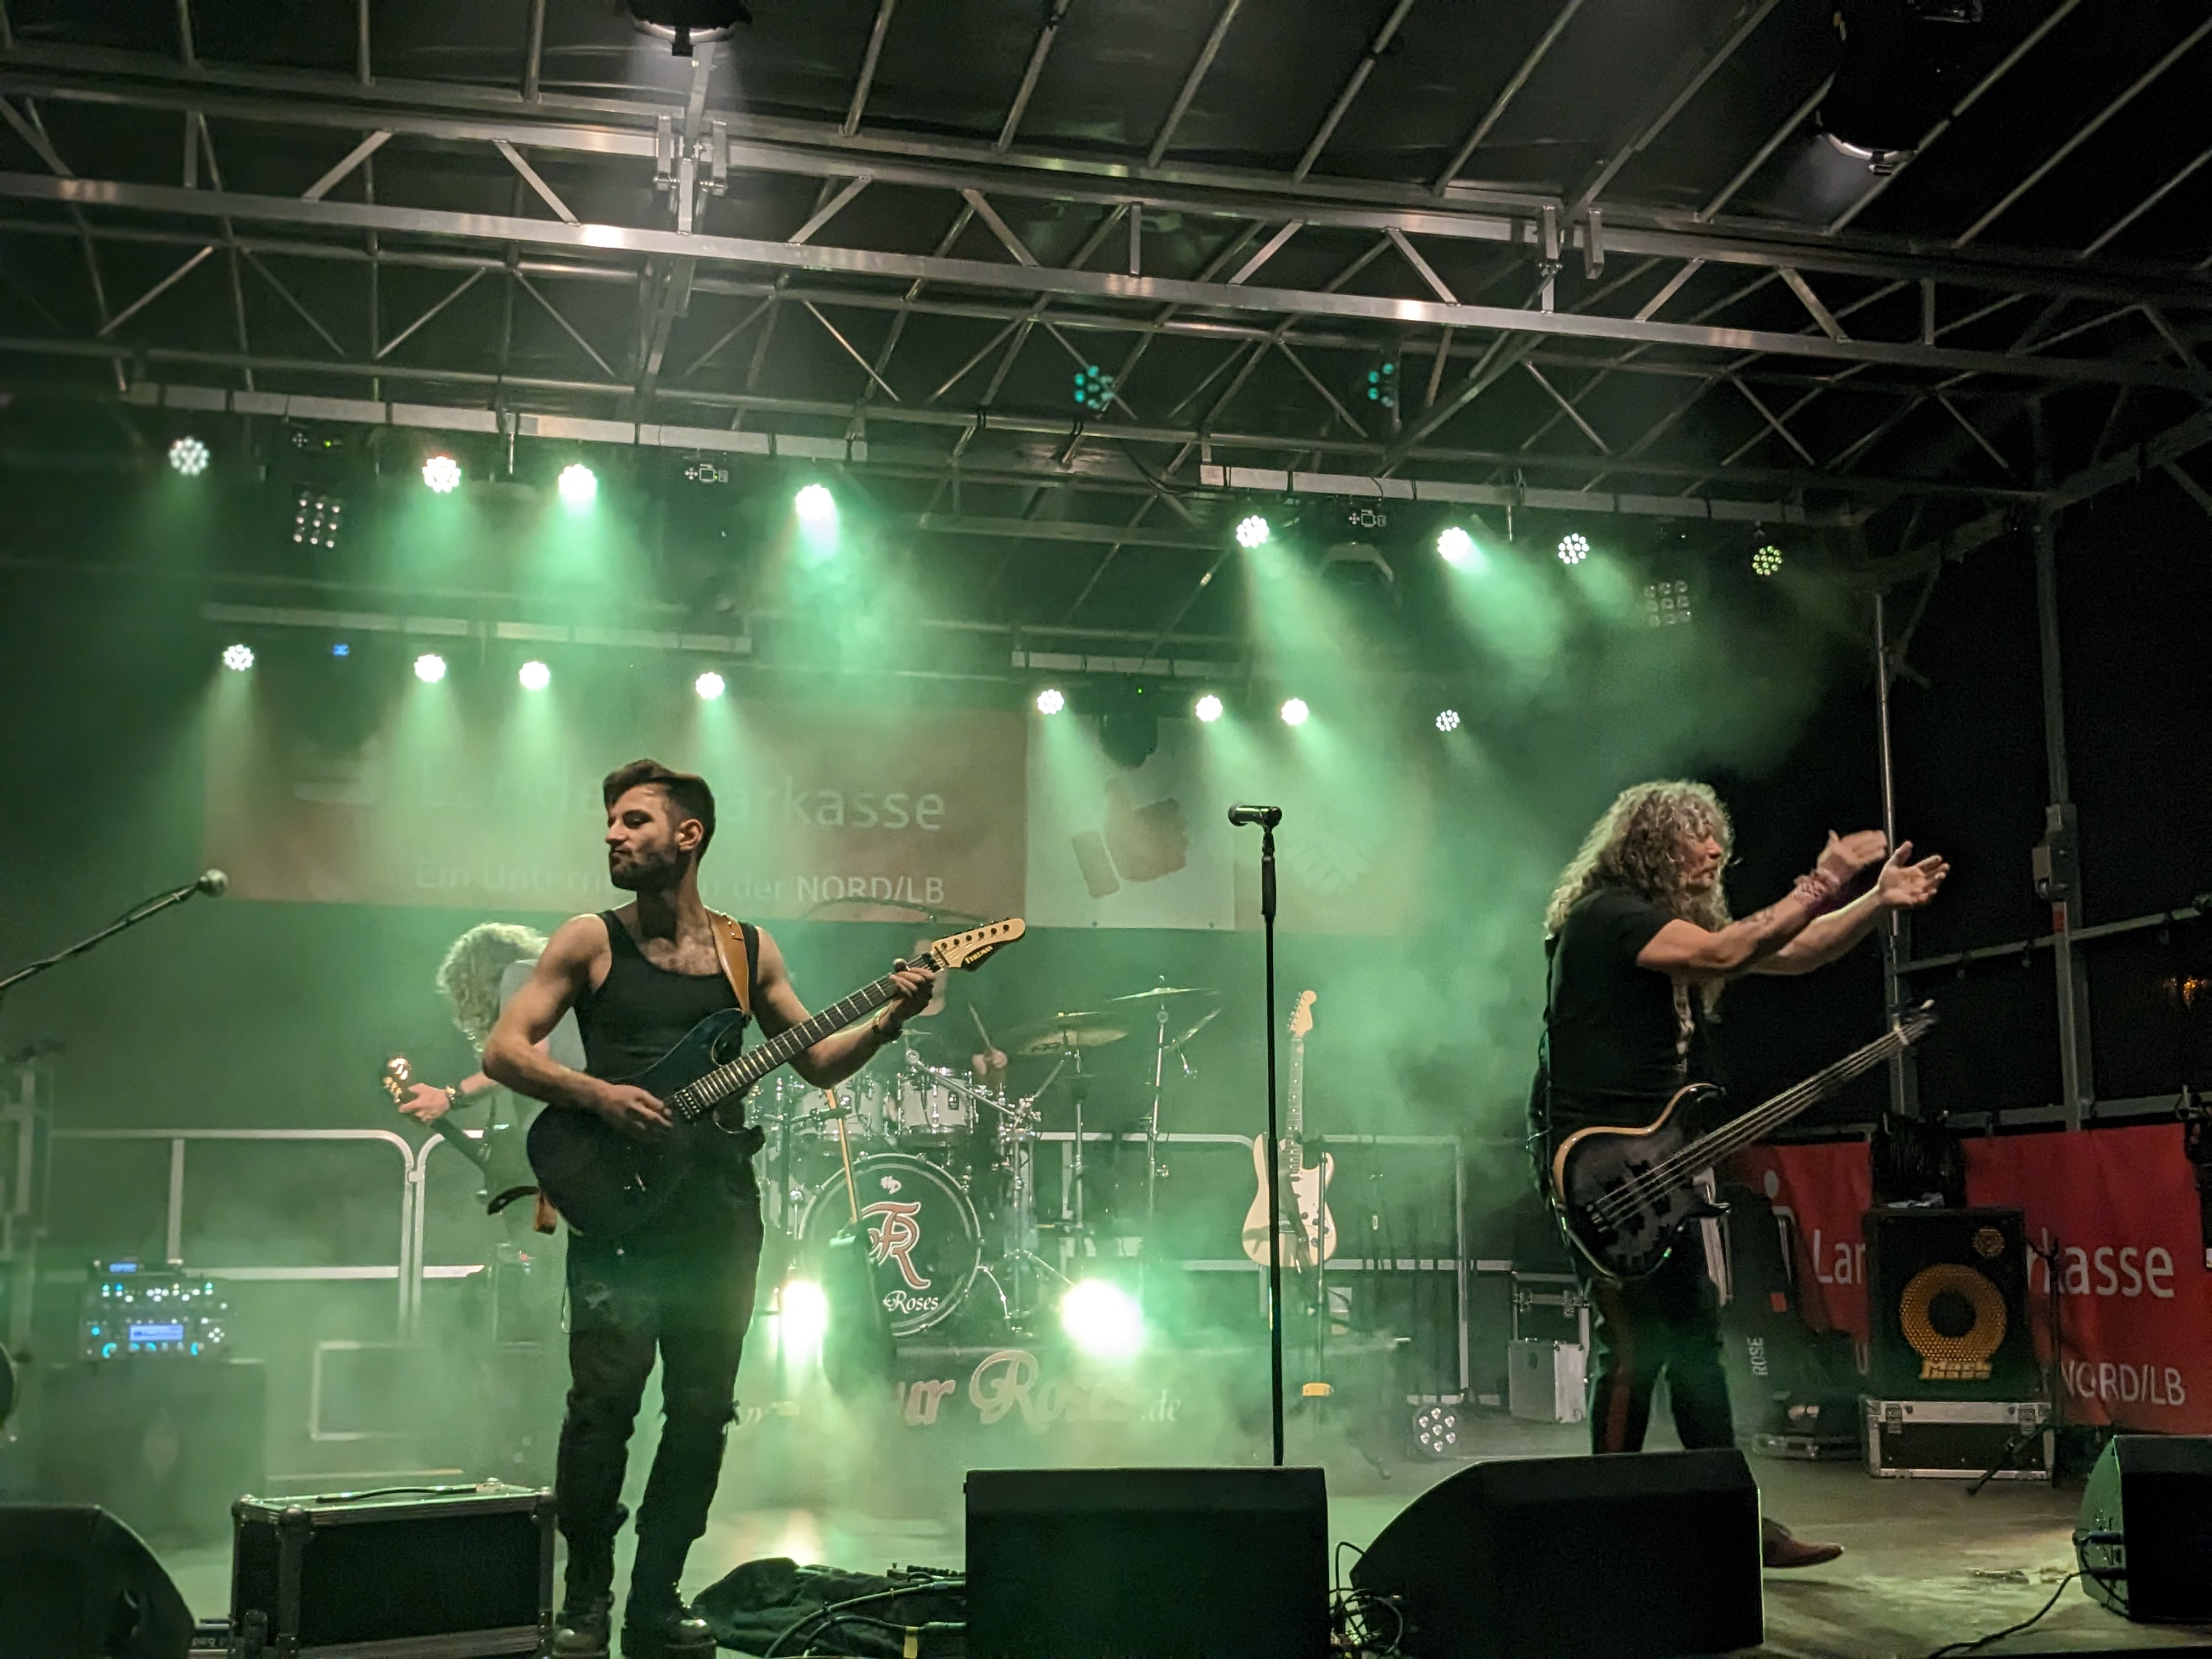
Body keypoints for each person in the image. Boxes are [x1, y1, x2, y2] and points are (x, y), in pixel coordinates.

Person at [485, 759, 932, 1659]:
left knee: (701, 1413)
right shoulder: (588, 940)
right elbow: (505, 1051)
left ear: (688, 836)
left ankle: (657, 1601)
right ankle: (586, 1601)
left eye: (635, 821)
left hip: (717, 1213)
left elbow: (816, 1061)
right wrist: (599, 1096)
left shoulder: (748, 951)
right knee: (601, 1410)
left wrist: (890, 1019)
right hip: (616, 1209)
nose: (613, 835)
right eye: (611, 822)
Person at [1531, 781, 1946, 1570]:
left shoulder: (1670, 925)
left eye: (1715, 833)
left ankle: (1727, 1521)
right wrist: (1821, 880)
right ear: (1652, 848)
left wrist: (1875, 902)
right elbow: (1728, 953)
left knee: (1694, 1343)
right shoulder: (1609, 916)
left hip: (1665, 1165)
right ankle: (1600, 1523)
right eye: (1696, 835)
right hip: (1602, 1169)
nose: (1715, 848)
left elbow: (1790, 950)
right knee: (1634, 1348)